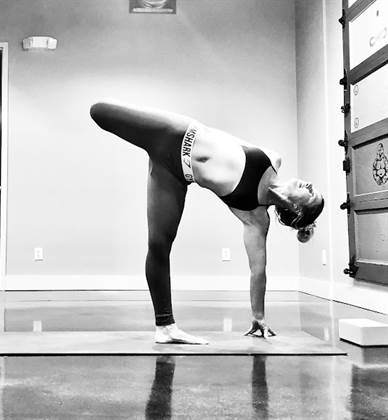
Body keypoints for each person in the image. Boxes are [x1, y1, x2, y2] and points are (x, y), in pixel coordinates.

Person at [90, 100, 324, 345]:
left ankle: (165, 327)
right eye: (313, 187)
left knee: (159, 244)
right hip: (179, 132)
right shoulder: (272, 159)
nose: (309, 185)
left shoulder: (255, 216)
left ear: (297, 211)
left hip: (174, 175)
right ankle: (165, 327)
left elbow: (258, 271)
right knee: (99, 111)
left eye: (311, 194)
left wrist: (258, 316)